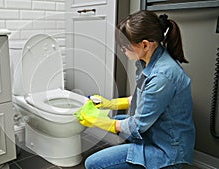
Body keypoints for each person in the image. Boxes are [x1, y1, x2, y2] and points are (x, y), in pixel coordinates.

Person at [77, 10, 195, 169]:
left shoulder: (162, 76)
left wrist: (98, 121)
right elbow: (143, 99)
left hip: (166, 150)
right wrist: (110, 104)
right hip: (154, 132)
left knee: (92, 163)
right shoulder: (149, 60)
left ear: (145, 44)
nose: (122, 50)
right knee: (118, 121)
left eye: (125, 46)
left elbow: (136, 126)